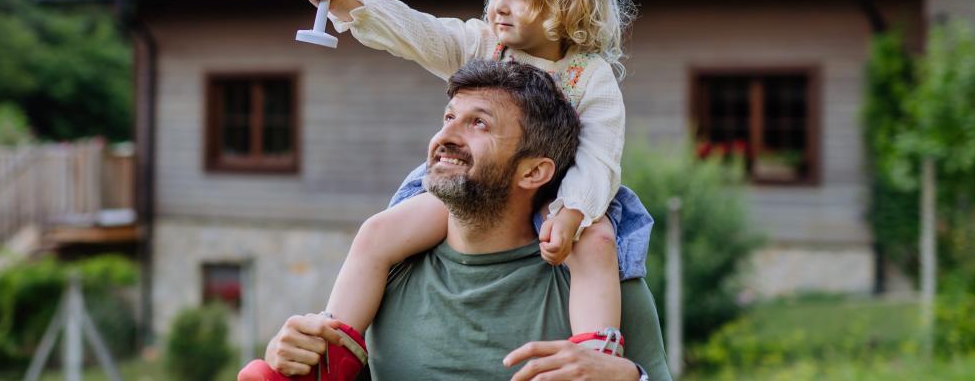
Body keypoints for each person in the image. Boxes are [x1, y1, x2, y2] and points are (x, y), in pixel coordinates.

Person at [242, 60, 668, 380]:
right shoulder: (393, 267)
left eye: (478, 124)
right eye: (448, 118)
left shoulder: (596, 282)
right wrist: (299, 361)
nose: (445, 136)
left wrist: (629, 377)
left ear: (534, 172)